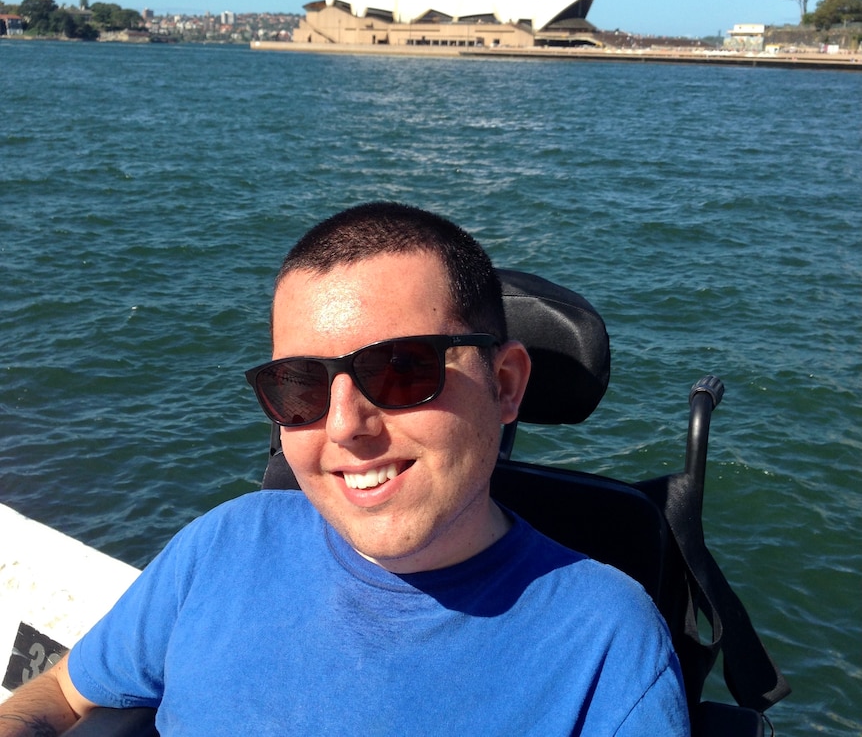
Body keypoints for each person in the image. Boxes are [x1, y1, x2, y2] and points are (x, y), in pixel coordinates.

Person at [0, 202, 689, 736]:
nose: (342, 426)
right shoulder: (224, 543)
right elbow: (63, 691)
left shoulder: (603, 638)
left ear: (506, 385)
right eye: (299, 386)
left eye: (401, 369)